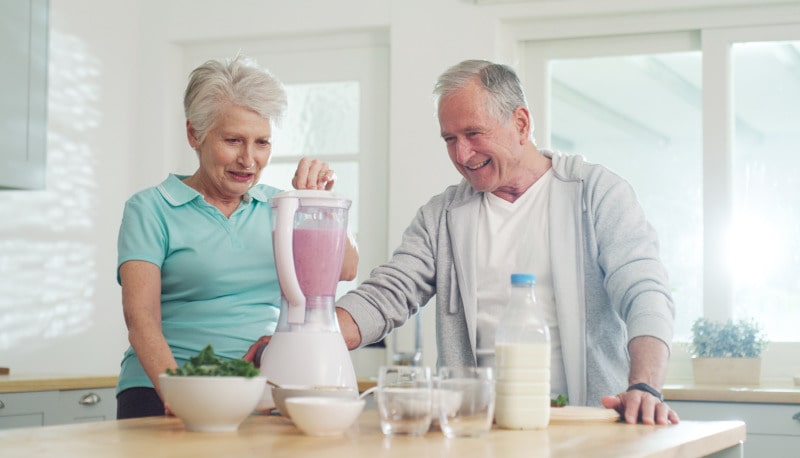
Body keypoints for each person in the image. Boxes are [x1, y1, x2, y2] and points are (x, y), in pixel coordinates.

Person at [247, 59, 679, 425]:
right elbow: (387, 295)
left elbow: (643, 291)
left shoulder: (595, 193)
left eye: (474, 134)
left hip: (586, 419)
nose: (461, 154)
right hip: (480, 426)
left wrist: (644, 384)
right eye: (449, 139)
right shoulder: (444, 215)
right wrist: (305, 337)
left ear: (521, 123)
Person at [115, 55, 358, 419]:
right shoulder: (151, 208)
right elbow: (141, 318)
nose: (249, 159)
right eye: (233, 140)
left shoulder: (281, 208)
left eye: (262, 143)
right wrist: (180, 394)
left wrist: (318, 203)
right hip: (164, 387)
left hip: (260, 390)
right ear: (194, 134)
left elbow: (346, 268)